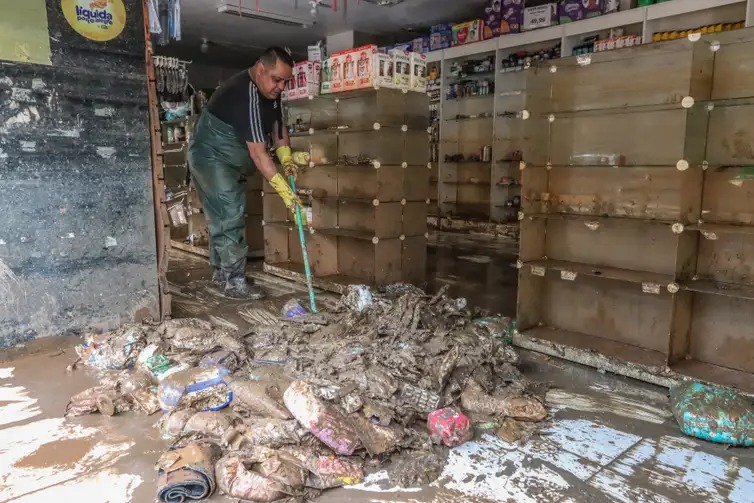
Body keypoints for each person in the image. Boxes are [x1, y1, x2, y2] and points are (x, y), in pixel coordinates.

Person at [188, 47, 307, 299]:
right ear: (261, 69)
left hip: (229, 161)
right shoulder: (247, 93)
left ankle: (222, 275)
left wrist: (286, 156)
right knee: (229, 214)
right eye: (277, 79)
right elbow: (258, 154)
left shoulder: (270, 91)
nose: (282, 87)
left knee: (223, 216)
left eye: (286, 81)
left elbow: (277, 125)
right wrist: (286, 193)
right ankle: (234, 281)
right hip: (212, 158)